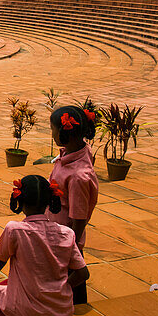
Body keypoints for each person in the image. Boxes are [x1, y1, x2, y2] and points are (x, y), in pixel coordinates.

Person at [0, 176, 90, 316]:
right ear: (49, 202)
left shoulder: (15, 230)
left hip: (25, 314)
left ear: (20, 202)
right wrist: (61, 288)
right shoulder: (67, 233)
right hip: (61, 313)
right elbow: (83, 273)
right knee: (6, 283)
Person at [48, 105, 99, 304]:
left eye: (52, 129)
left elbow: (78, 217)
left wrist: (71, 246)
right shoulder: (75, 151)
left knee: (72, 282)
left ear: (63, 133)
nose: (51, 134)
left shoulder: (79, 176)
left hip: (66, 238)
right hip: (57, 232)